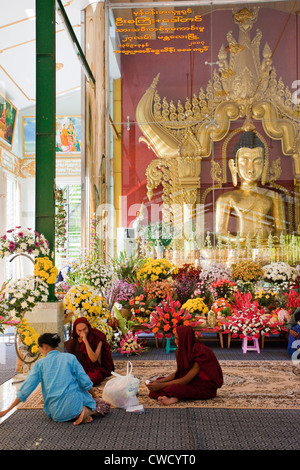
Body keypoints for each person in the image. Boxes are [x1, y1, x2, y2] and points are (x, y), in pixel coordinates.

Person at [0, 333, 110, 425]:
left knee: (74, 405)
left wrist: (7, 410)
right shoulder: (70, 358)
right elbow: (85, 382)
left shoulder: (39, 364)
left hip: (55, 413)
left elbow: (25, 390)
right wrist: (95, 398)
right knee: (103, 405)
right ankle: (87, 412)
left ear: (44, 346)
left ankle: (82, 413)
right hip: (75, 407)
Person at [215, 131, 286, 245]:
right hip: (238, 249)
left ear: (264, 164)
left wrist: (269, 242)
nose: (251, 169)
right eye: (244, 161)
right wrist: (238, 241)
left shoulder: (273, 196)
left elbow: (281, 231)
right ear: (234, 165)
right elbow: (220, 232)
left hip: (265, 248)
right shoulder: (226, 198)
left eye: (257, 162)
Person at [146, 325, 223, 405]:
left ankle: (174, 397)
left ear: (185, 339)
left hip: (205, 387)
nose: (175, 342)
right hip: (191, 381)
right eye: (175, 338)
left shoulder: (201, 352)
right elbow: (178, 373)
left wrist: (161, 385)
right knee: (158, 382)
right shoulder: (180, 349)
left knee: (172, 388)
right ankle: (169, 395)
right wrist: (159, 382)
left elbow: (186, 379)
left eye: (178, 339)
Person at [65, 317, 114, 386]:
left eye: (84, 329)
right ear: (75, 331)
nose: (82, 333)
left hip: (94, 369)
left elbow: (94, 359)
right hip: (80, 370)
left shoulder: (97, 338)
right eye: (79, 330)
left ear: (88, 327)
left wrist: (85, 341)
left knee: (93, 379)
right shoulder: (73, 342)